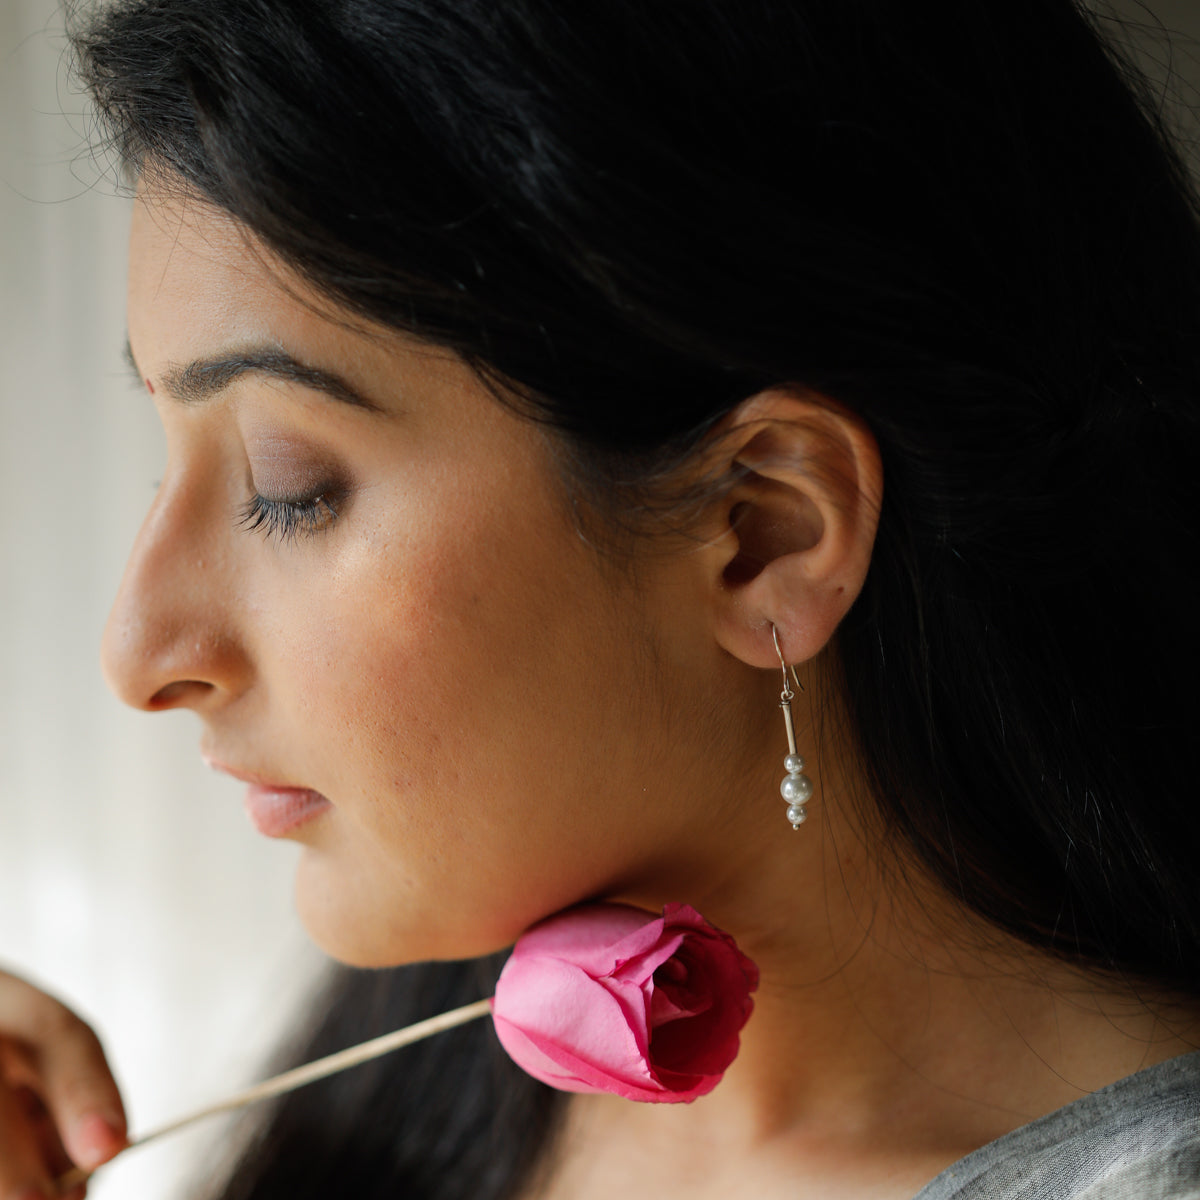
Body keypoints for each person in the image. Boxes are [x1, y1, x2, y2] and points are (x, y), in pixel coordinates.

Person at [2, 0, 1199, 1196]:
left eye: (287, 487)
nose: (138, 650)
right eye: (169, 463)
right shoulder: (428, 1077)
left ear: (762, 530)